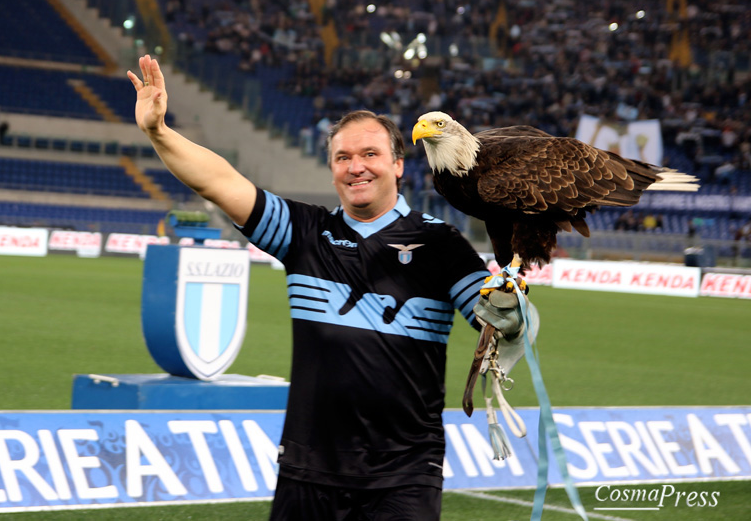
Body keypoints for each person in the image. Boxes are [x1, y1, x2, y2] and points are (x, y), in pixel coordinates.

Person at [128, 55, 528, 520]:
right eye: (343, 157)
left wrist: (513, 313)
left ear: (399, 165)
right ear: (332, 168)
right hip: (307, 470)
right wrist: (158, 131)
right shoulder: (301, 232)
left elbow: (503, 322)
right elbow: (220, 182)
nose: (356, 167)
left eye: (370, 155)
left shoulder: (441, 243)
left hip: (404, 476)